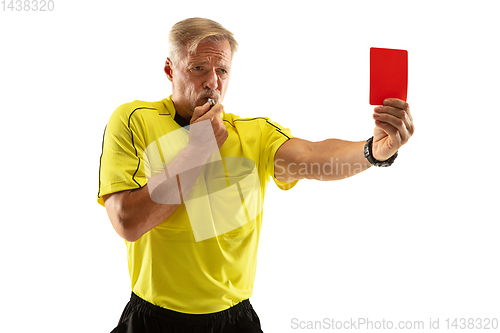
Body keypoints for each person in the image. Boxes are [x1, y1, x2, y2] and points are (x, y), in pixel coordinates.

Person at [97, 17, 414, 333]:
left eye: (222, 70)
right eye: (198, 69)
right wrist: (197, 150)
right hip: (152, 319)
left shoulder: (253, 133)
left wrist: (375, 151)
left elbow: (313, 157)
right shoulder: (132, 120)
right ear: (170, 69)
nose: (213, 82)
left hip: (234, 321)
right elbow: (128, 222)